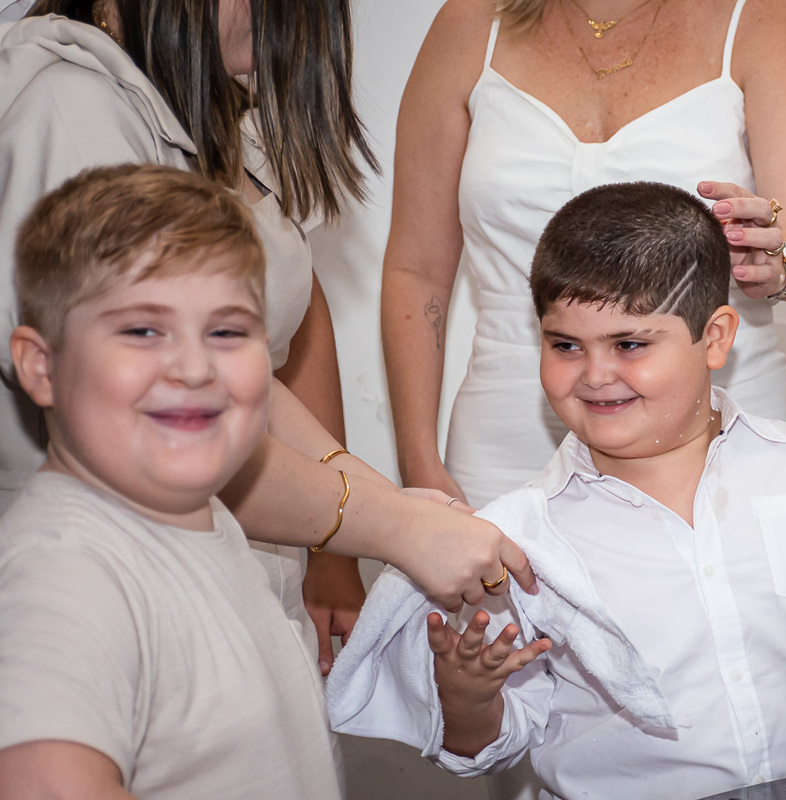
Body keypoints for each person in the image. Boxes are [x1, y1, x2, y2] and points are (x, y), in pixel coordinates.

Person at [327, 182, 786, 800]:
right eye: (565, 345)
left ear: (715, 338)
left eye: (630, 342)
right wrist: (467, 695)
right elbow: (491, 741)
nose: (595, 375)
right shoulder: (513, 541)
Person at [0, 0, 534, 671]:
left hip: (230, 574)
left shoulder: (210, 107)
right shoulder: (73, 109)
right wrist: (394, 526)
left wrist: (376, 505)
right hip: (113, 602)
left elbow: (233, 369)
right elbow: (165, 423)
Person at [382, 0, 786, 507]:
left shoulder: (764, 20)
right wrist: (418, 464)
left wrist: (780, 263)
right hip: (505, 445)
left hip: (723, 433)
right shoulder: (470, 23)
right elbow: (417, 268)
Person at [0, 164, 344, 798]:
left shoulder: (200, 520)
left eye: (226, 331)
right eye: (142, 330)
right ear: (41, 366)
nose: (193, 366)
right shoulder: (65, 575)